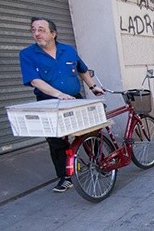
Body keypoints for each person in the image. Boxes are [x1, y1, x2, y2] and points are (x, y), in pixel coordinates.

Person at [19, 16, 105, 192]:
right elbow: (34, 80)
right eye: (33, 30)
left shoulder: (69, 50)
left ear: (53, 33)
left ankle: (98, 162)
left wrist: (93, 86)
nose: (36, 34)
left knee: (91, 131)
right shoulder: (27, 54)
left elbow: (82, 70)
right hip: (48, 102)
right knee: (56, 141)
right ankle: (65, 177)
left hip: (74, 98)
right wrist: (58, 94)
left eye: (41, 30)